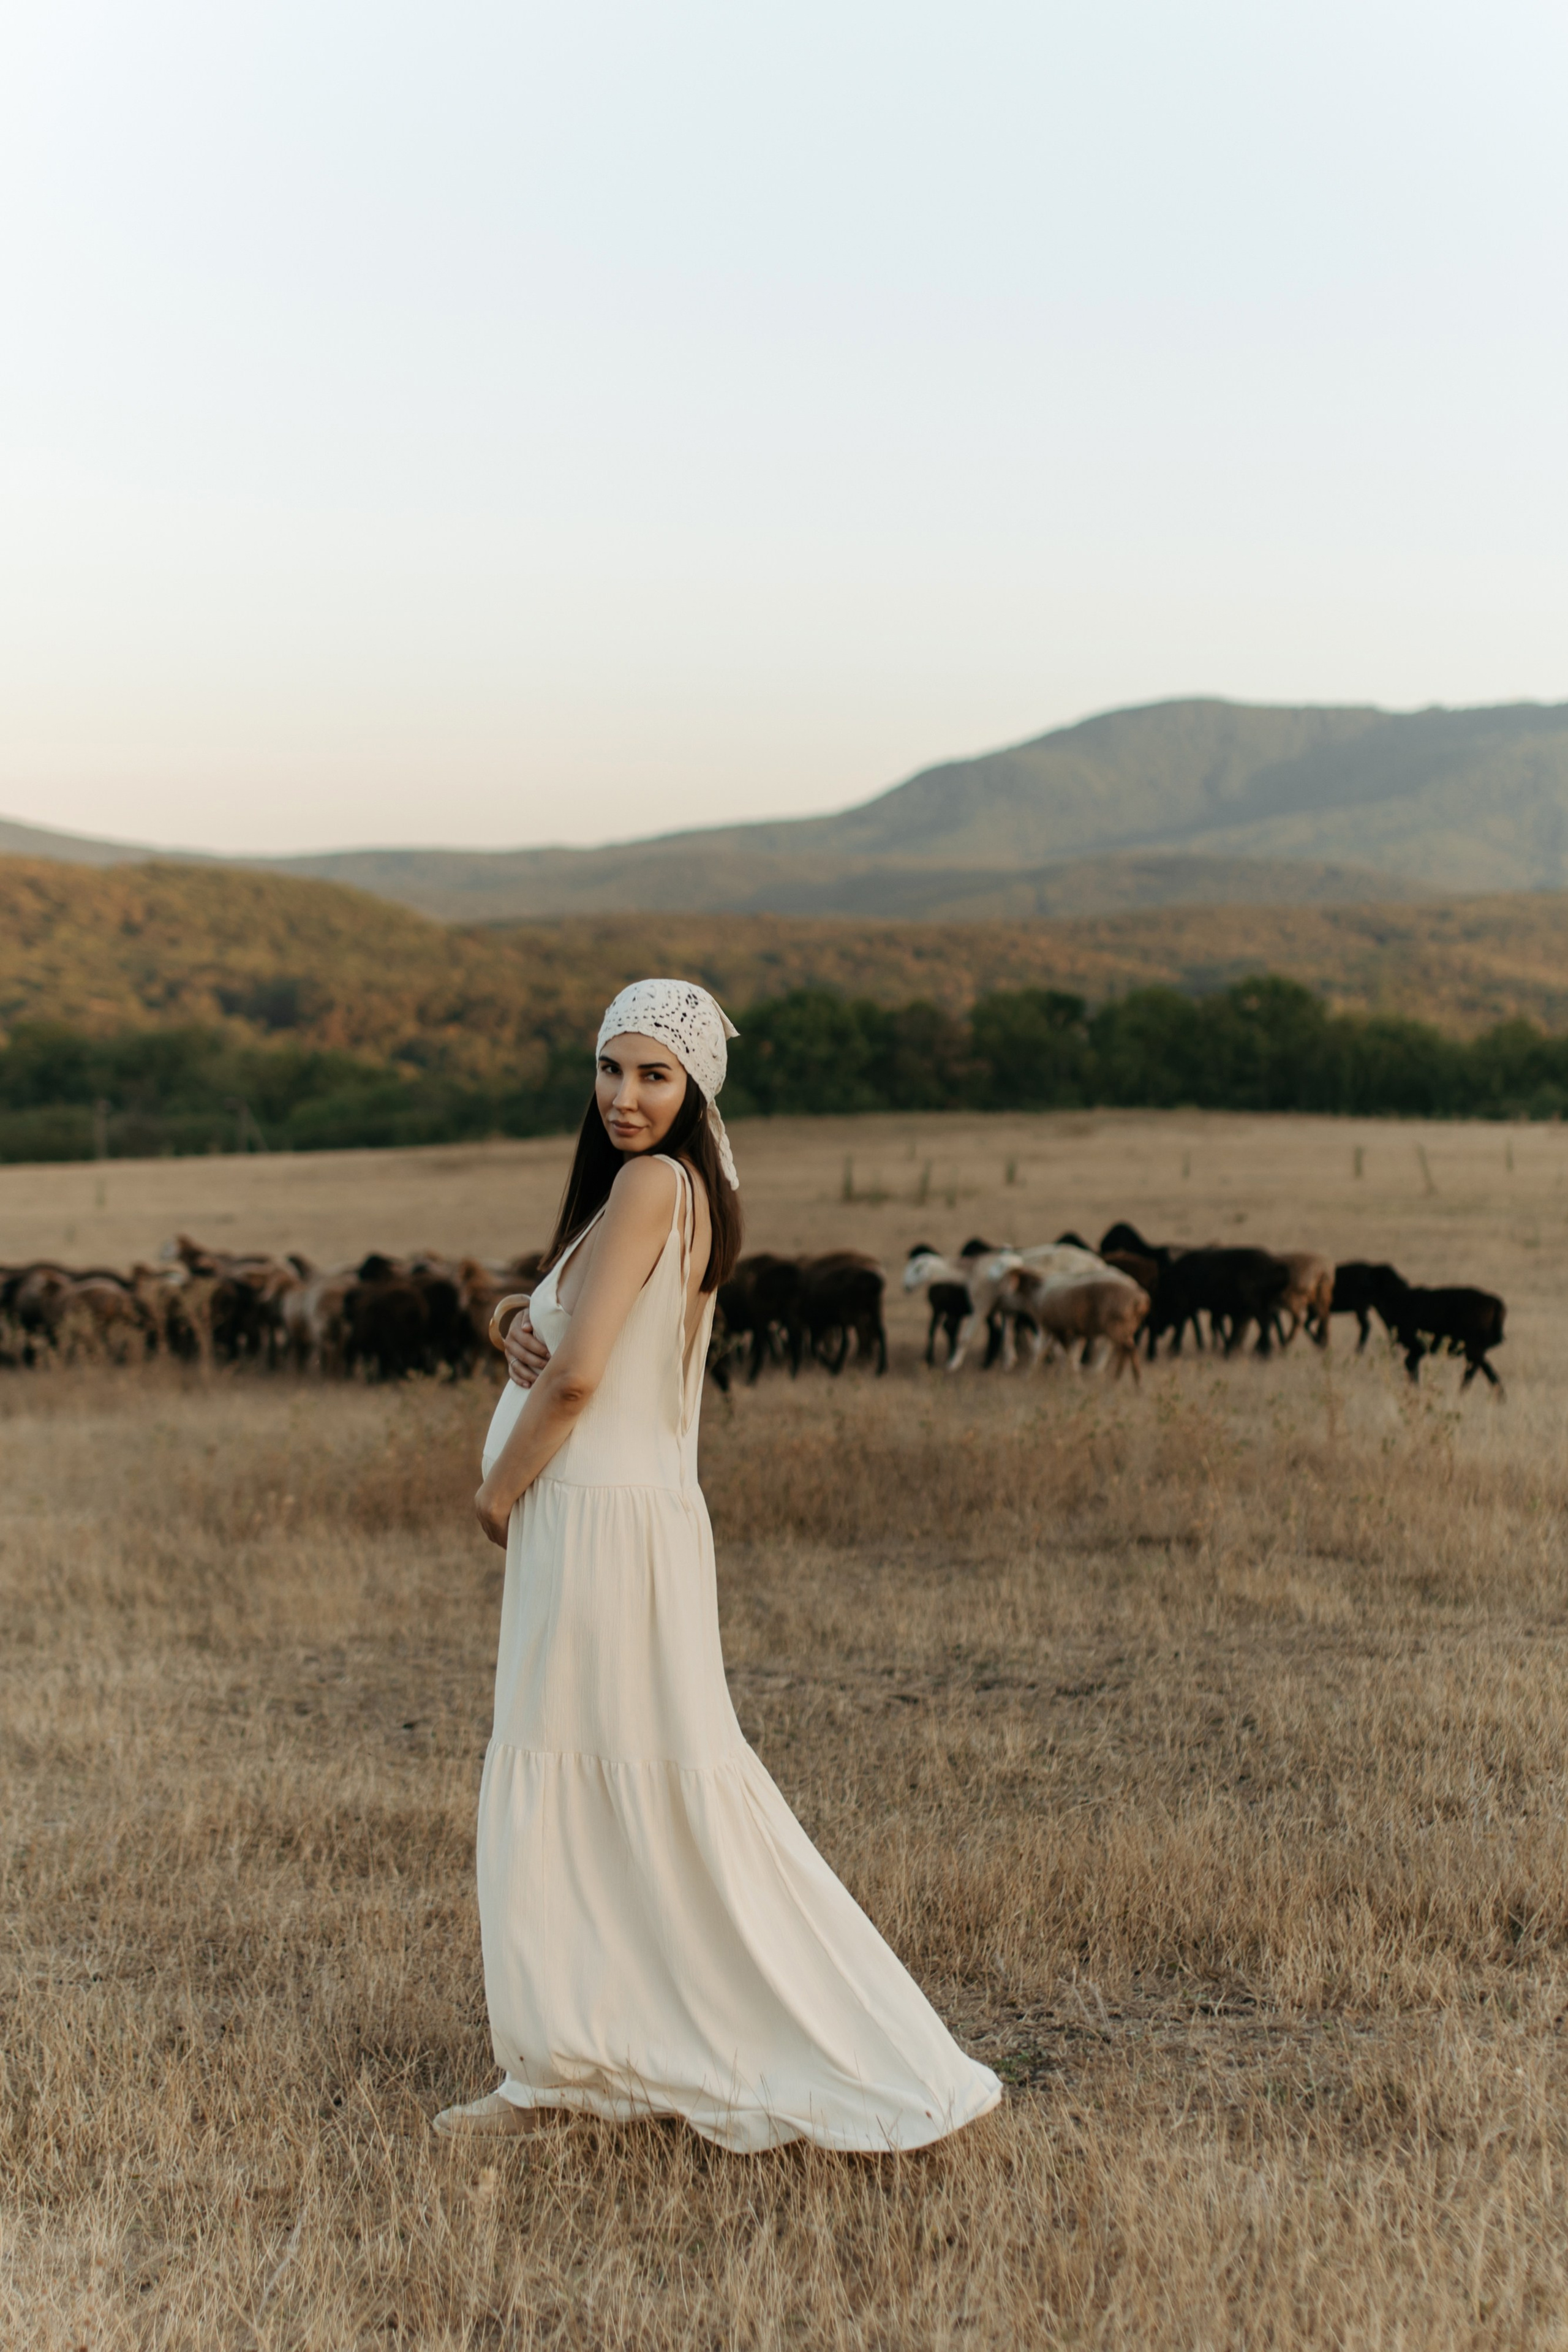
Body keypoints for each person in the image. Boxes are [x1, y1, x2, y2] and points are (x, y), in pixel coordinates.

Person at [434, 979, 1000, 2151]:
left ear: (695, 1090)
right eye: (611, 1070)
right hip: (635, 1520)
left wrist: (497, 1494)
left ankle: (563, 2068)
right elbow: (576, 1334)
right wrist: (506, 1315)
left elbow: (581, 1380)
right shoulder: (684, 1190)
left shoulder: (647, 1182)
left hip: (590, 1517)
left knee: (577, 1772)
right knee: (629, 1774)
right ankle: (589, 2052)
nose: (626, 1096)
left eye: (654, 1076)